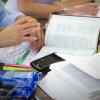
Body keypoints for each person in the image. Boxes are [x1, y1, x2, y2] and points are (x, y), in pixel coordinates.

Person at [5, 0, 98, 18]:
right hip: (12, 23)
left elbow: (57, 4)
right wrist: (71, 11)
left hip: (39, 22)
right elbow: (26, 7)